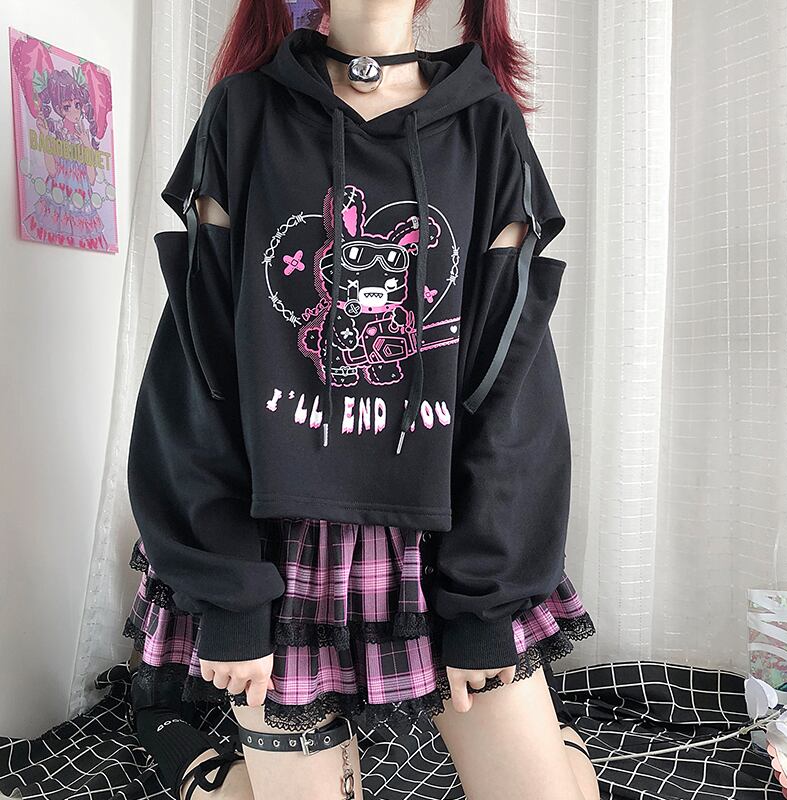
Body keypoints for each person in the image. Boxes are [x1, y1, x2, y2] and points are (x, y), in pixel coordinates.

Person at [124, 1, 599, 798]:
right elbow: (198, 369)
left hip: (440, 539)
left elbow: (510, 387)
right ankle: (193, 759)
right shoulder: (243, 113)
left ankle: (566, 746)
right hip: (276, 546)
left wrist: (484, 604)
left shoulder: (486, 125)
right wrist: (230, 590)